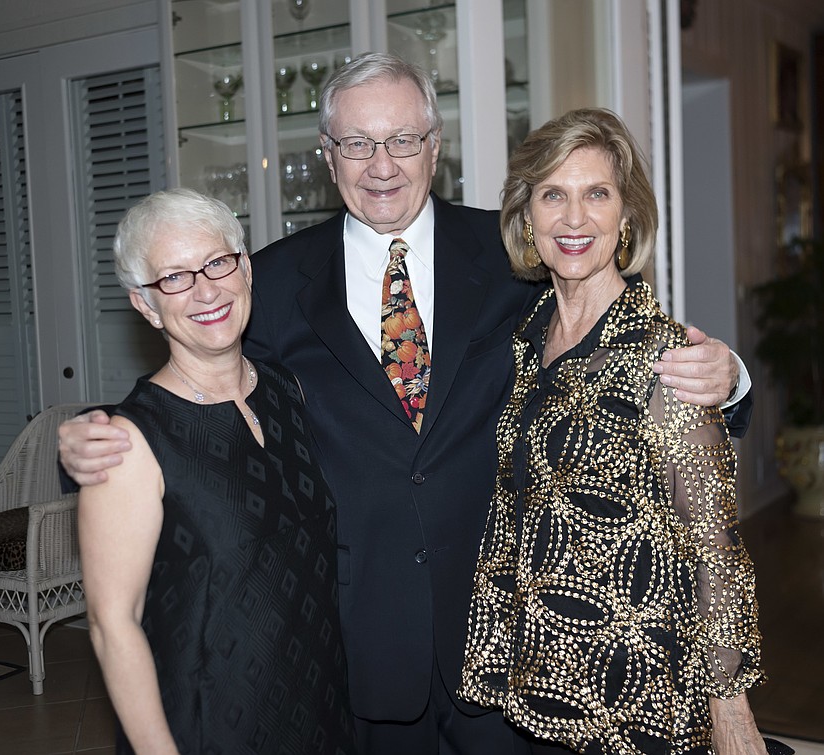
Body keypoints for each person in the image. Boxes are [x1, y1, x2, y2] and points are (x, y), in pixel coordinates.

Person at [61, 55, 750, 754]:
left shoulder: (516, 251)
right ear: (329, 157)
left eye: (402, 139)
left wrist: (731, 376)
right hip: (357, 646)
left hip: (503, 646)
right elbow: (202, 384)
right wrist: (91, 439)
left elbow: (613, 352)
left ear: (435, 146)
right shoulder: (268, 282)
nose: (381, 163)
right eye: (357, 142)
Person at [458, 108, 766, 754]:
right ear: (526, 215)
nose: (574, 220)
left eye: (596, 193)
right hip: (537, 698)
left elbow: (715, 545)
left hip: (637, 707)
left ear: (626, 214)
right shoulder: (525, 338)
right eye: (554, 195)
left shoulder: (664, 357)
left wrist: (731, 710)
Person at [77, 189, 356, 755]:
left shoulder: (285, 390)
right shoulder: (129, 443)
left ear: (245, 268)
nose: (206, 289)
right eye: (173, 278)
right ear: (146, 305)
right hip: (209, 724)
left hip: (320, 711)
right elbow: (113, 626)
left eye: (216, 262)